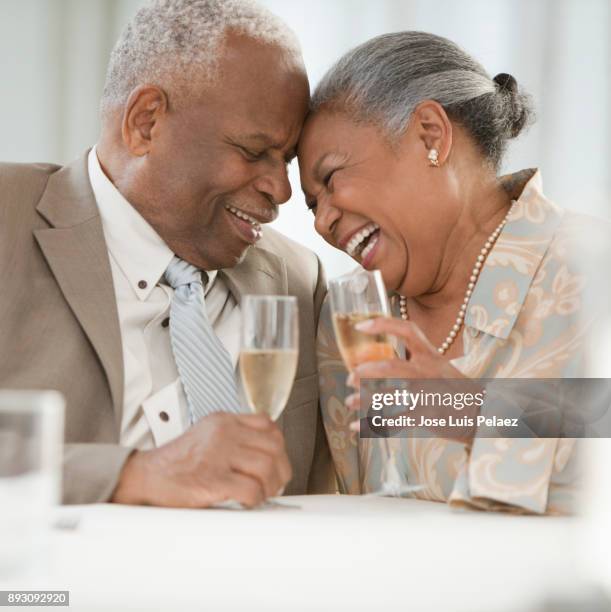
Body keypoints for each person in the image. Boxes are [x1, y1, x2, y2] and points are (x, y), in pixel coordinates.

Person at [0, 0, 334, 507]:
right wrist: (134, 476)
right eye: (251, 151)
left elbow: (377, 454)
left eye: (285, 160)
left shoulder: (297, 276)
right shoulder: (9, 217)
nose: (281, 190)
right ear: (146, 122)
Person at [298, 31, 609, 514]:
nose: (322, 221)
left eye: (332, 177)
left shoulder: (594, 266)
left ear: (430, 133)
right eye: (312, 204)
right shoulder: (348, 316)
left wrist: (471, 410)